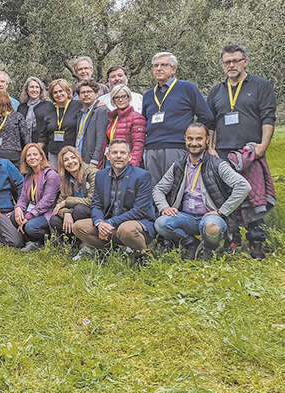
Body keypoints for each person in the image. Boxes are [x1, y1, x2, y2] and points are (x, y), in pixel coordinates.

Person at [207, 45, 277, 259]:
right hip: (223, 154)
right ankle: (233, 239)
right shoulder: (216, 91)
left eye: (236, 60)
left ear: (245, 62)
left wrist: (262, 146)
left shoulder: (260, 85)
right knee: (226, 196)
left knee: (254, 196)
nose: (231, 65)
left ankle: (256, 241)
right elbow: (210, 122)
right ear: (221, 65)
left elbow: (268, 117)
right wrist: (210, 147)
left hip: (250, 151)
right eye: (227, 61)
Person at [153, 124, 251, 260]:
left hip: (210, 217)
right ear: (185, 140)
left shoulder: (217, 165)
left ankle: (207, 249)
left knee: (212, 227)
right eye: (190, 139)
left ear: (207, 140)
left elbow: (243, 186)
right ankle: (191, 243)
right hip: (185, 217)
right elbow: (158, 189)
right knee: (161, 223)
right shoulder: (179, 165)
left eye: (199, 139)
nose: (194, 143)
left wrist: (222, 212)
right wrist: (164, 207)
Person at [73, 139, 156, 260]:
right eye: (114, 152)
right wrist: (100, 223)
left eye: (122, 153)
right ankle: (110, 250)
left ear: (129, 156)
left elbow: (139, 210)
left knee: (126, 230)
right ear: (108, 156)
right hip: (110, 224)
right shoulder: (101, 175)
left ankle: (144, 255)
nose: (118, 156)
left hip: (137, 224)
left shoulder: (142, 176)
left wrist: (110, 223)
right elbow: (96, 204)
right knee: (78, 227)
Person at [142, 52, 215, 184]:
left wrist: (194, 137)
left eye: (164, 65)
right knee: (154, 191)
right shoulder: (148, 95)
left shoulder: (187, 88)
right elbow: (143, 121)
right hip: (152, 148)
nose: (159, 68)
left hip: (176, 147)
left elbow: (207, 117)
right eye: (155, 66)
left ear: (173, 69)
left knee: (177, 188)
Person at [13, 144, 60, 252]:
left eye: (35, 154)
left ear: (41, 157)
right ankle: (34, 241)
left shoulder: (51, 175)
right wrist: (19, 207)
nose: (32, 157)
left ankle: (49, 240)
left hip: (48, 213)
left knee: (30, 226)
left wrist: (28, 216)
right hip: (34, 211)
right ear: (25, 160)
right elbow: (23, 197)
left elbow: (47, 201)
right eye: (28, 155)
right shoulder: (28, 176)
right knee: (14, 217)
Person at [50, 147, 97, 248]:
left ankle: (87, 243)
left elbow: (91, 201)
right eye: (66, 160)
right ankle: (74, 242)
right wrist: (67, 212)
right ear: (62, 164)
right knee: (54, 220)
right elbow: (59, 204)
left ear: (79, 158)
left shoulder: (92, 173)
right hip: (73, 211)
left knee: (79, 210)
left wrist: (67, 202)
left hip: (92, 212)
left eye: (73, 157)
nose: (70, 162)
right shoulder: (65, 178)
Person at [98, 84, 146, 169]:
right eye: (117, 97)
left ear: (129, 98)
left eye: (124, 96)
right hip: (110, 161)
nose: (120, 100)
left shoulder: (137, 118)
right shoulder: (112, 117)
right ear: (113, 101)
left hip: (126, 163)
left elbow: (138, 146)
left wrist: (132, 167)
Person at [38, 79, 82, 167]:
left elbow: (92, 107)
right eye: (55, 92)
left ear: (67, 91)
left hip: (72, 154)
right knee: (55, 179)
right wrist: (35, 151)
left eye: (61, 91)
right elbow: (43, 135)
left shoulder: (78, 106)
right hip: (54, 154)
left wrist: (99, 104)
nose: (58, 94)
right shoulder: (50, 110)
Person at [75, 80, 110, 167]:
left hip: (93, 161)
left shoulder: (101, 111)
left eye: (89, 91)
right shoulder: (80, 113)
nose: (86, 94)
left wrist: (95, 160)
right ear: (79, 97)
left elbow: (101, 139)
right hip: (80, 158)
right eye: (83, 92)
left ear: (96, 95)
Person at [17, 76, 53, 145]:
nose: (34, 90)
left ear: (41, 90)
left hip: (43, 145)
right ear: (27, 90)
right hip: (24, 146)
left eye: (37, 87)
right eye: (31, 87)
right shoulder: (21, 107)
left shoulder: (48, 105)